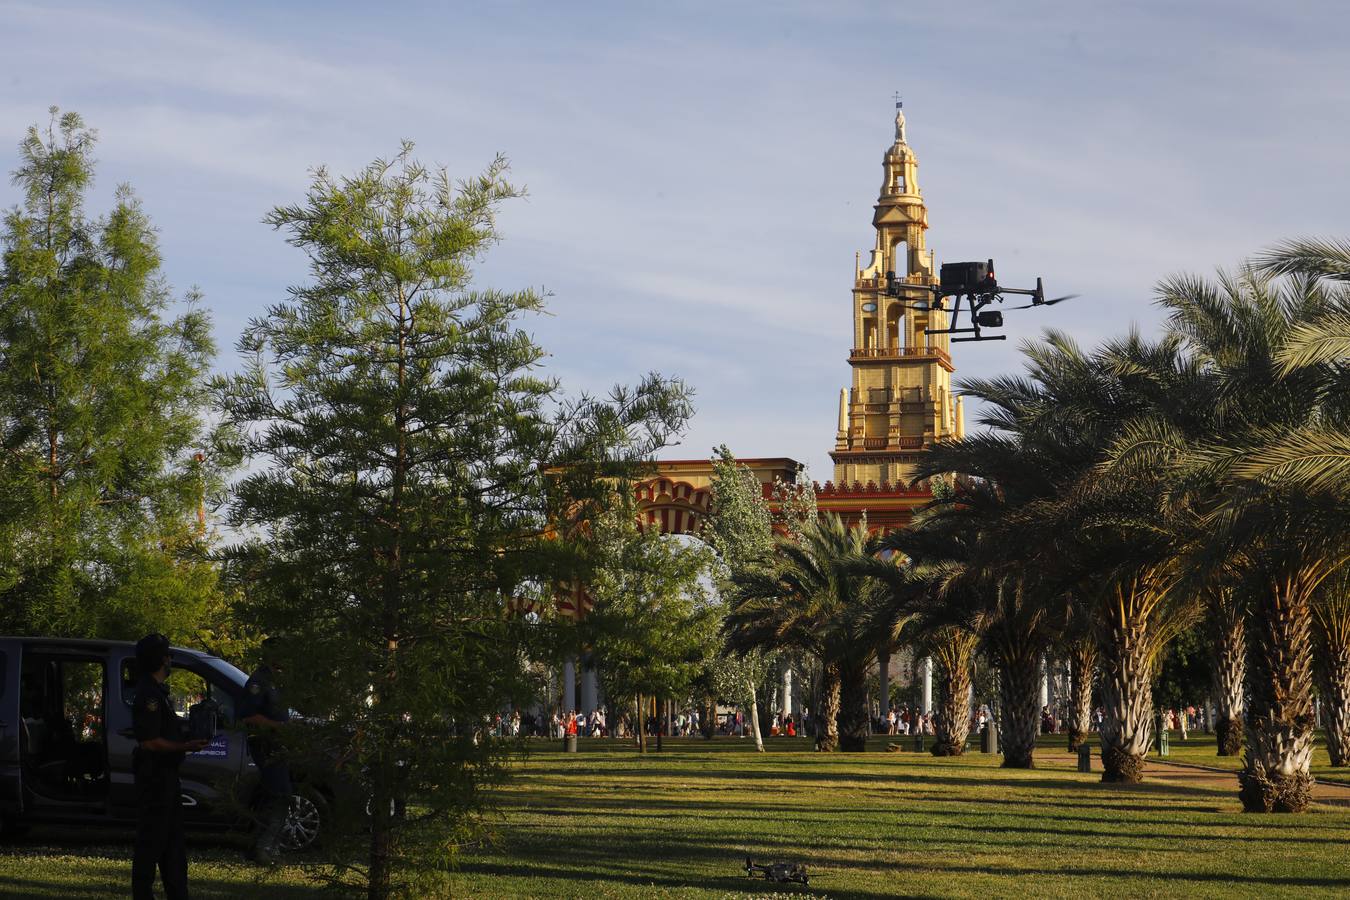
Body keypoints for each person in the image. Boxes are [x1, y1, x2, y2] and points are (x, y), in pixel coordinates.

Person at [131, 633, 209, 900]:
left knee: (172, 846)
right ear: (160, 659)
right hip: (155, 779)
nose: (170, 660)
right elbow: (150, 742)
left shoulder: (158, 693)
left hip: (166, 777)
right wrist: (185, 747)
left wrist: (185, 738)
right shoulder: (149, 695)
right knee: (151, 844)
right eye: (167, 655)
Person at [239, 639, 293, 865]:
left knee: (272, 795)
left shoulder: (275, 680)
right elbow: (248, 715)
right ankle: (265, 848)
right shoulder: (258, 682)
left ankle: (259, 847)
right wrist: (277, 727)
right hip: (265, 744)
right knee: (281, 794)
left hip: (277, 745)